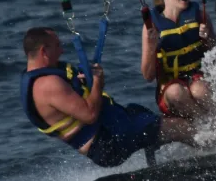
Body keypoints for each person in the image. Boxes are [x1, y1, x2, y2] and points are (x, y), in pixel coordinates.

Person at [20, 27, 197, 168]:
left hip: (110, 133)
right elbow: (89, 114)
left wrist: (86, 82)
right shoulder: (48, 85)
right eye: (57, 46)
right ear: (44, 51)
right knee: (180, 127)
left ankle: (159, 155)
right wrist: (97, 82)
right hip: (109, 143)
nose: (62, 51)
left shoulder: (35, 79)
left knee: (143, 114)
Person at [141, 0, 216, 120]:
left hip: (198, 79)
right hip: (170, 87)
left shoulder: (199, 15)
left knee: (200, 89)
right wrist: (152, 46)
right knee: (176, 92)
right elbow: (148, 76)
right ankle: (205, 126)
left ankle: (215, 124)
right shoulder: (152, 26)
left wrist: (207, 39)